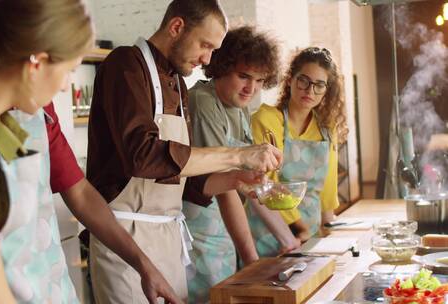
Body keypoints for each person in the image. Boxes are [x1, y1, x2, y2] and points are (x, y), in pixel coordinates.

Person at [0, 0, 179, 303]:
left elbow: (76, 192)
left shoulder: (2, 120)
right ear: (36, 62)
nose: (65, 87)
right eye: (68, 71)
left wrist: (142, 264)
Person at [86, 0, 283, 302]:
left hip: (169, 243)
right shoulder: (125, 64)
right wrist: (237, 155)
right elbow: (144, 156)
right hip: (123, 242)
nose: (207, 59)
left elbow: (183, 180)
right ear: (176, 27)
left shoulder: (179, 84)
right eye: (205, 45)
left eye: (213, 51)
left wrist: (236, 180)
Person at [182, 26, 300, 303]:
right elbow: (224, 184)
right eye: (243, 76)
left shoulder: (239, 107)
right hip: (198, 231)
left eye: (259, 80)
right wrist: (252, 260)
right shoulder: (204, 102)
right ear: (220, 66)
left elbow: (252, 183)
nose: (251, 88)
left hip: (223, 230)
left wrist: (289, 240)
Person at [249, 47, 347, 251]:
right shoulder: (266, 119)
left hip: (310, 237)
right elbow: (268, 187)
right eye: (304, 80)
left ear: (327, 90)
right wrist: (300, 230)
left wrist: (328, 232)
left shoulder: (327, 129)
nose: (310, 91)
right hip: (271, 234)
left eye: (319, 85)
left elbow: (327, 191)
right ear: (291, 79)